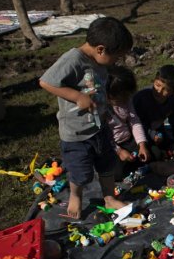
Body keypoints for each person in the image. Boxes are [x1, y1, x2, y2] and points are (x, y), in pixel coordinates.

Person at [38, 17, 132, 219]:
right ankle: (76, 197)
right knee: (80, 171)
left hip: (99, 127)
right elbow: (46, 82)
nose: (115, 63)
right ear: (100, 49)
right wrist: (77, 96)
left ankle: (109, 197)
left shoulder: (97, 61)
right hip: (76, 133)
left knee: (107, 164)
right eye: (115, 58)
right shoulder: (72, 60)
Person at [133, 64, 174, 159]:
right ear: (154, 81)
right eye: (157, 85)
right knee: (155, 154)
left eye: (166, 90)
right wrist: (151, 134)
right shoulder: (141, 99)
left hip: (158, 131)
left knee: (172, 146)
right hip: (139, 133)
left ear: (173, 91)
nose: (159, 91)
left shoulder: (172, 101)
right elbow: (136, 123)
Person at [106, 66, 150, 176]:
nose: (126, 99)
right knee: (117, 173)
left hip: (128, 140)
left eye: (128, 95)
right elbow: (102, 135)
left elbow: (134, 121)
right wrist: (119, 151)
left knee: (152, 153)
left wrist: (142, 145)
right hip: (110, 145)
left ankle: (134, 162)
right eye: (122, 97)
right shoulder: (101, 108)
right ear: (109, 95)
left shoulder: (127, 101)